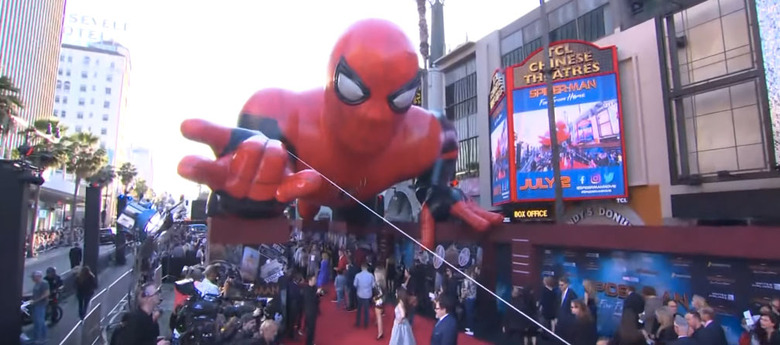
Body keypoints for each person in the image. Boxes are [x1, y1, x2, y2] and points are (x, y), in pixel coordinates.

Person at [302, 274, 324, 345]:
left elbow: (318, 298)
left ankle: (311, 341)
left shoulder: (315, 287)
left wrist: (320, 293)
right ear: (310, 280)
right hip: (309, 310)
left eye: (315, 279)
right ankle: (308, 342)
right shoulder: (306, 289)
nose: (316, 281)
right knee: (310, 328)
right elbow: (311, 300)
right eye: (314, 280)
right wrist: (317, 294)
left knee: (313, 327)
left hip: (314, 310)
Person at [30, 271, 50, 344]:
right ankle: (36, 337)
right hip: (36, 305)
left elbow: (46, 294)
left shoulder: (44, 283)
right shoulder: (36, 284)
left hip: (40, 305)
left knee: (40, 322)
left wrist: (36, 300)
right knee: (36, 322)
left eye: (33, 277)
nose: (32, 279)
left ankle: (42, 338)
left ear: (38, 276)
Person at [354, 262, 375, 328]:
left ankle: (358, 323)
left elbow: (355, 284)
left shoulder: (357, 275)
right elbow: (373, 285)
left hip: (360, 294)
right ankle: (366, 323)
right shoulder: (371, 275)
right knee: (366, 310)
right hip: (368, 294)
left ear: (361, 268)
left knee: (359, 309)